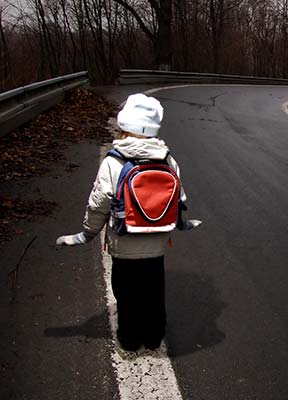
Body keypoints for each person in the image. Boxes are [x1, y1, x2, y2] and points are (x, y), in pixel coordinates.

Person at [56, 93, 200, 351]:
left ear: (124, 126)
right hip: (156, 243)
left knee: (126, 292)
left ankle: (130, 338)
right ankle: (154, 336)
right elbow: (179, 198)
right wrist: (183, 222)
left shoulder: (113, 161)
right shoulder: (167, 159)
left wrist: (88, 232)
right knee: (154, 291)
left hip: (123, 240)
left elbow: (99, 202)